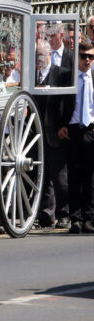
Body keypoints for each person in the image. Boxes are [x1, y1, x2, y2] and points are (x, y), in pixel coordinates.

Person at [50, 41, 94, 234]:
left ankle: (89, 218)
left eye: (91, 57)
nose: (87, 60)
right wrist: (60, 125)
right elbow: (55, 103)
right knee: (74, 176)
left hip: (91, 129)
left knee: (91, 177)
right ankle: (75, 218)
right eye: (83, 56)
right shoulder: (65, 77)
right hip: (73, 130)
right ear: (76, 57)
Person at [36, 39, 71, 228]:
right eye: (36, 56)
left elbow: (67, 102)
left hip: (55, 130)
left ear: (50, 54)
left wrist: (63, 125)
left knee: (59, 176)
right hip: (35, 133)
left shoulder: (61, 74)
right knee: (41, 175)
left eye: (42, 55)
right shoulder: (31, 75)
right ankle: (45, 213)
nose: (39, 59)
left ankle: (64, 213)